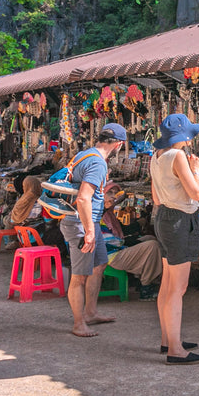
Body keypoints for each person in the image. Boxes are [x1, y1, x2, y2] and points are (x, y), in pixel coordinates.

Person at [150, 114, 199, 362]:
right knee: (178, 288)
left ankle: (168, 339)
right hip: (180, 221)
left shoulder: (156, 156)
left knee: (168, 285)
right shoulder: (179, 156)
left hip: (163, 217)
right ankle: (175, 350)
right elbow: (196, 193)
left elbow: (156, 198)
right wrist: (197, 171)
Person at [61, 124, 125, 338]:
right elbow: (83, 198)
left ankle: (90, 312)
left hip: (90, 222)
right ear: (118, 144)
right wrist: (89, 231)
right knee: (79, 276)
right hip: (81, 223)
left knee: (99, 265)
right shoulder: (97, 163)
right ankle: (79, 323)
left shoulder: (85, 154)